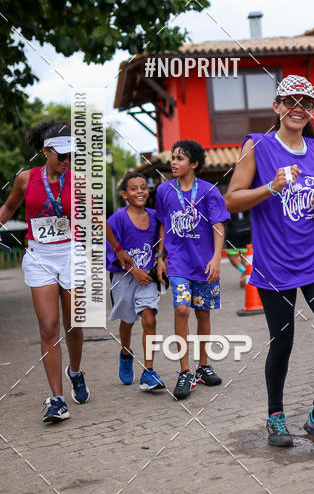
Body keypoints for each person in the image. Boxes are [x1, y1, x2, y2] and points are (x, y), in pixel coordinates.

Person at [225, 74, 314, 451]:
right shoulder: (258, 146)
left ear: (312, 111)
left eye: (306, 102)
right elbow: (231, 200)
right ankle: (275, 416)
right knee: (283, 343)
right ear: (278, 106)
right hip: (275, 265)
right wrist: (271, 187)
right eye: (291, 100)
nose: (299, 107)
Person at [0, 119, 128, 422]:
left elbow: (97, 216)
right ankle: (57, 399)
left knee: (74, 326)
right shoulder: (24, 179)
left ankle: (75, 371)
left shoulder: (79, 181)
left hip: (71, 256)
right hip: (40, 257)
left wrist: (118, 249)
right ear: (46, 151)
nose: (68, 161)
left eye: (72, 156)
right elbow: (9, 208)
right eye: (62, 156)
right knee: (48, 329)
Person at [155, 140, 229, 399]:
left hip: (204, 263)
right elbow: (163, 225)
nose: (174, 162)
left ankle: (203, 366)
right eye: (172, 158)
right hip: (178, 263)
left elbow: (219, 226)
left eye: (180, 158)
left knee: (204, 315)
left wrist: (217, 259)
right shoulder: (164, 190)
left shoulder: (210, 192)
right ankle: (185, 370)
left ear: (194, 164)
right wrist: (160, 257)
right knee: (181, 308)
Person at [106, 171, 165, 391]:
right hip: (123, 278)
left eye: (143, 187)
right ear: (124, 194)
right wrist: (133, 270)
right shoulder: (118, 218)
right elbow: (112, 248)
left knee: (149, 318)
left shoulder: (154, 215)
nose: (140, 191)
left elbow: (163, 232)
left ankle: (149, 371)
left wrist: (160, 259)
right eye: (134, 188)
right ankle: (125, 352)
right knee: (127, 321)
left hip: (147, 278)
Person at [224, 210, 252, 287]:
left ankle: (246, 272)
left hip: (234, 231)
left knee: (232, 256)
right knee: (244, 255)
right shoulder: (245, 199)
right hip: (247, 229)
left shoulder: (229, 199)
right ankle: (246, 275)